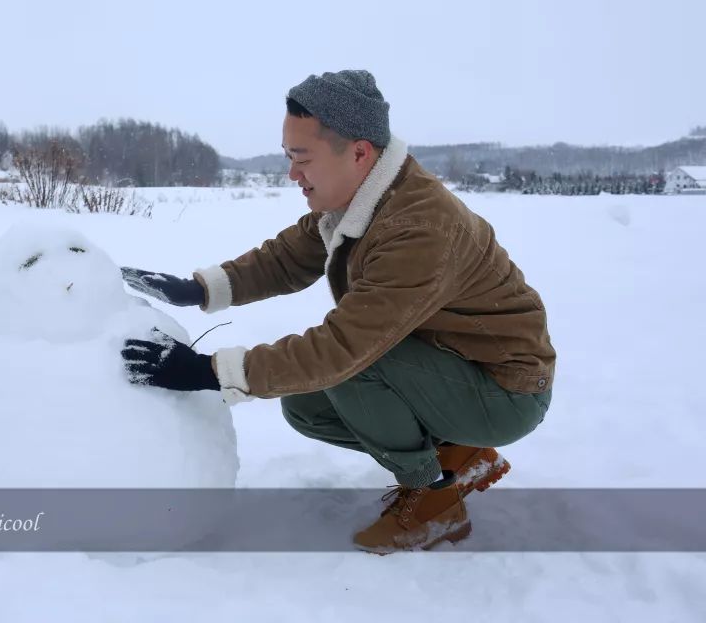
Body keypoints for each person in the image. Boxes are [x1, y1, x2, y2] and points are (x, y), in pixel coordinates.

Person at [119, 69, 556, 553]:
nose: (292, 174)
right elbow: (287, 258)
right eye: (289, 157)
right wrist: (198, 289)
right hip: (446, 363)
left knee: (349, 367)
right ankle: (459, 454)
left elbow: (344, 347)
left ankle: (433, 497)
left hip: (504, 389)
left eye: (302, 158)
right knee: (306, 406)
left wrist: (206, 371)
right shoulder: (360, 200)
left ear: (359, 152)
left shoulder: (419, 227)